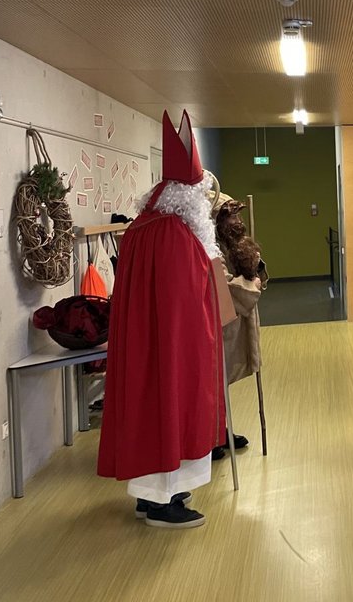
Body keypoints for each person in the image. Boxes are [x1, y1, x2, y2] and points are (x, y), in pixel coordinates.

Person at [97, 110, 224, 529]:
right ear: (187, 195)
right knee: (171, 406)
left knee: (148, 407)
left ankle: (149, 495)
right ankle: (163, 501)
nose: (205, 202)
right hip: (171, 345)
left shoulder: (143, 226)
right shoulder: (173, 234)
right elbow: (183, 302)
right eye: (201, 193)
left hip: (147, 343)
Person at [211, 192, 269, 459]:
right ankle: (211, 437)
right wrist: (251, 284)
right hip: (219, 323)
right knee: (212, 382)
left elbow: (252, 273)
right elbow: (224, 288)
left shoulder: (232, 243)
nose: (238, 222)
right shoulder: (210, 248)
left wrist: (253, 262)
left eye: (238, 215)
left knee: (220, 384)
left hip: (234, 323)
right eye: (231, 216)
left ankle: (219, 431)